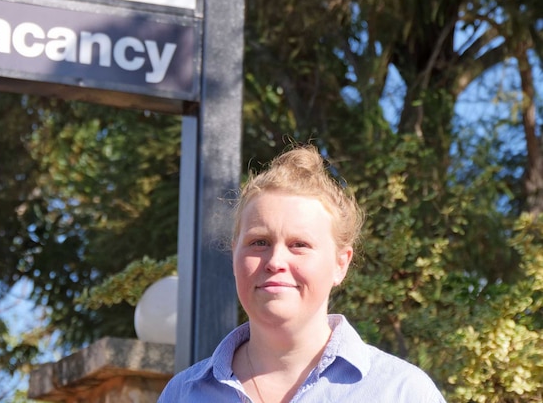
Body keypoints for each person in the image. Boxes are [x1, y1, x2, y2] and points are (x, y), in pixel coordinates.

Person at [158, 144, 446, 402]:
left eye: (299, 245)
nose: (275, 261)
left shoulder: (400, 392)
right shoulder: (183, 394)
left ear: (340, 264)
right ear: (234, 254)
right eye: (259, 242)